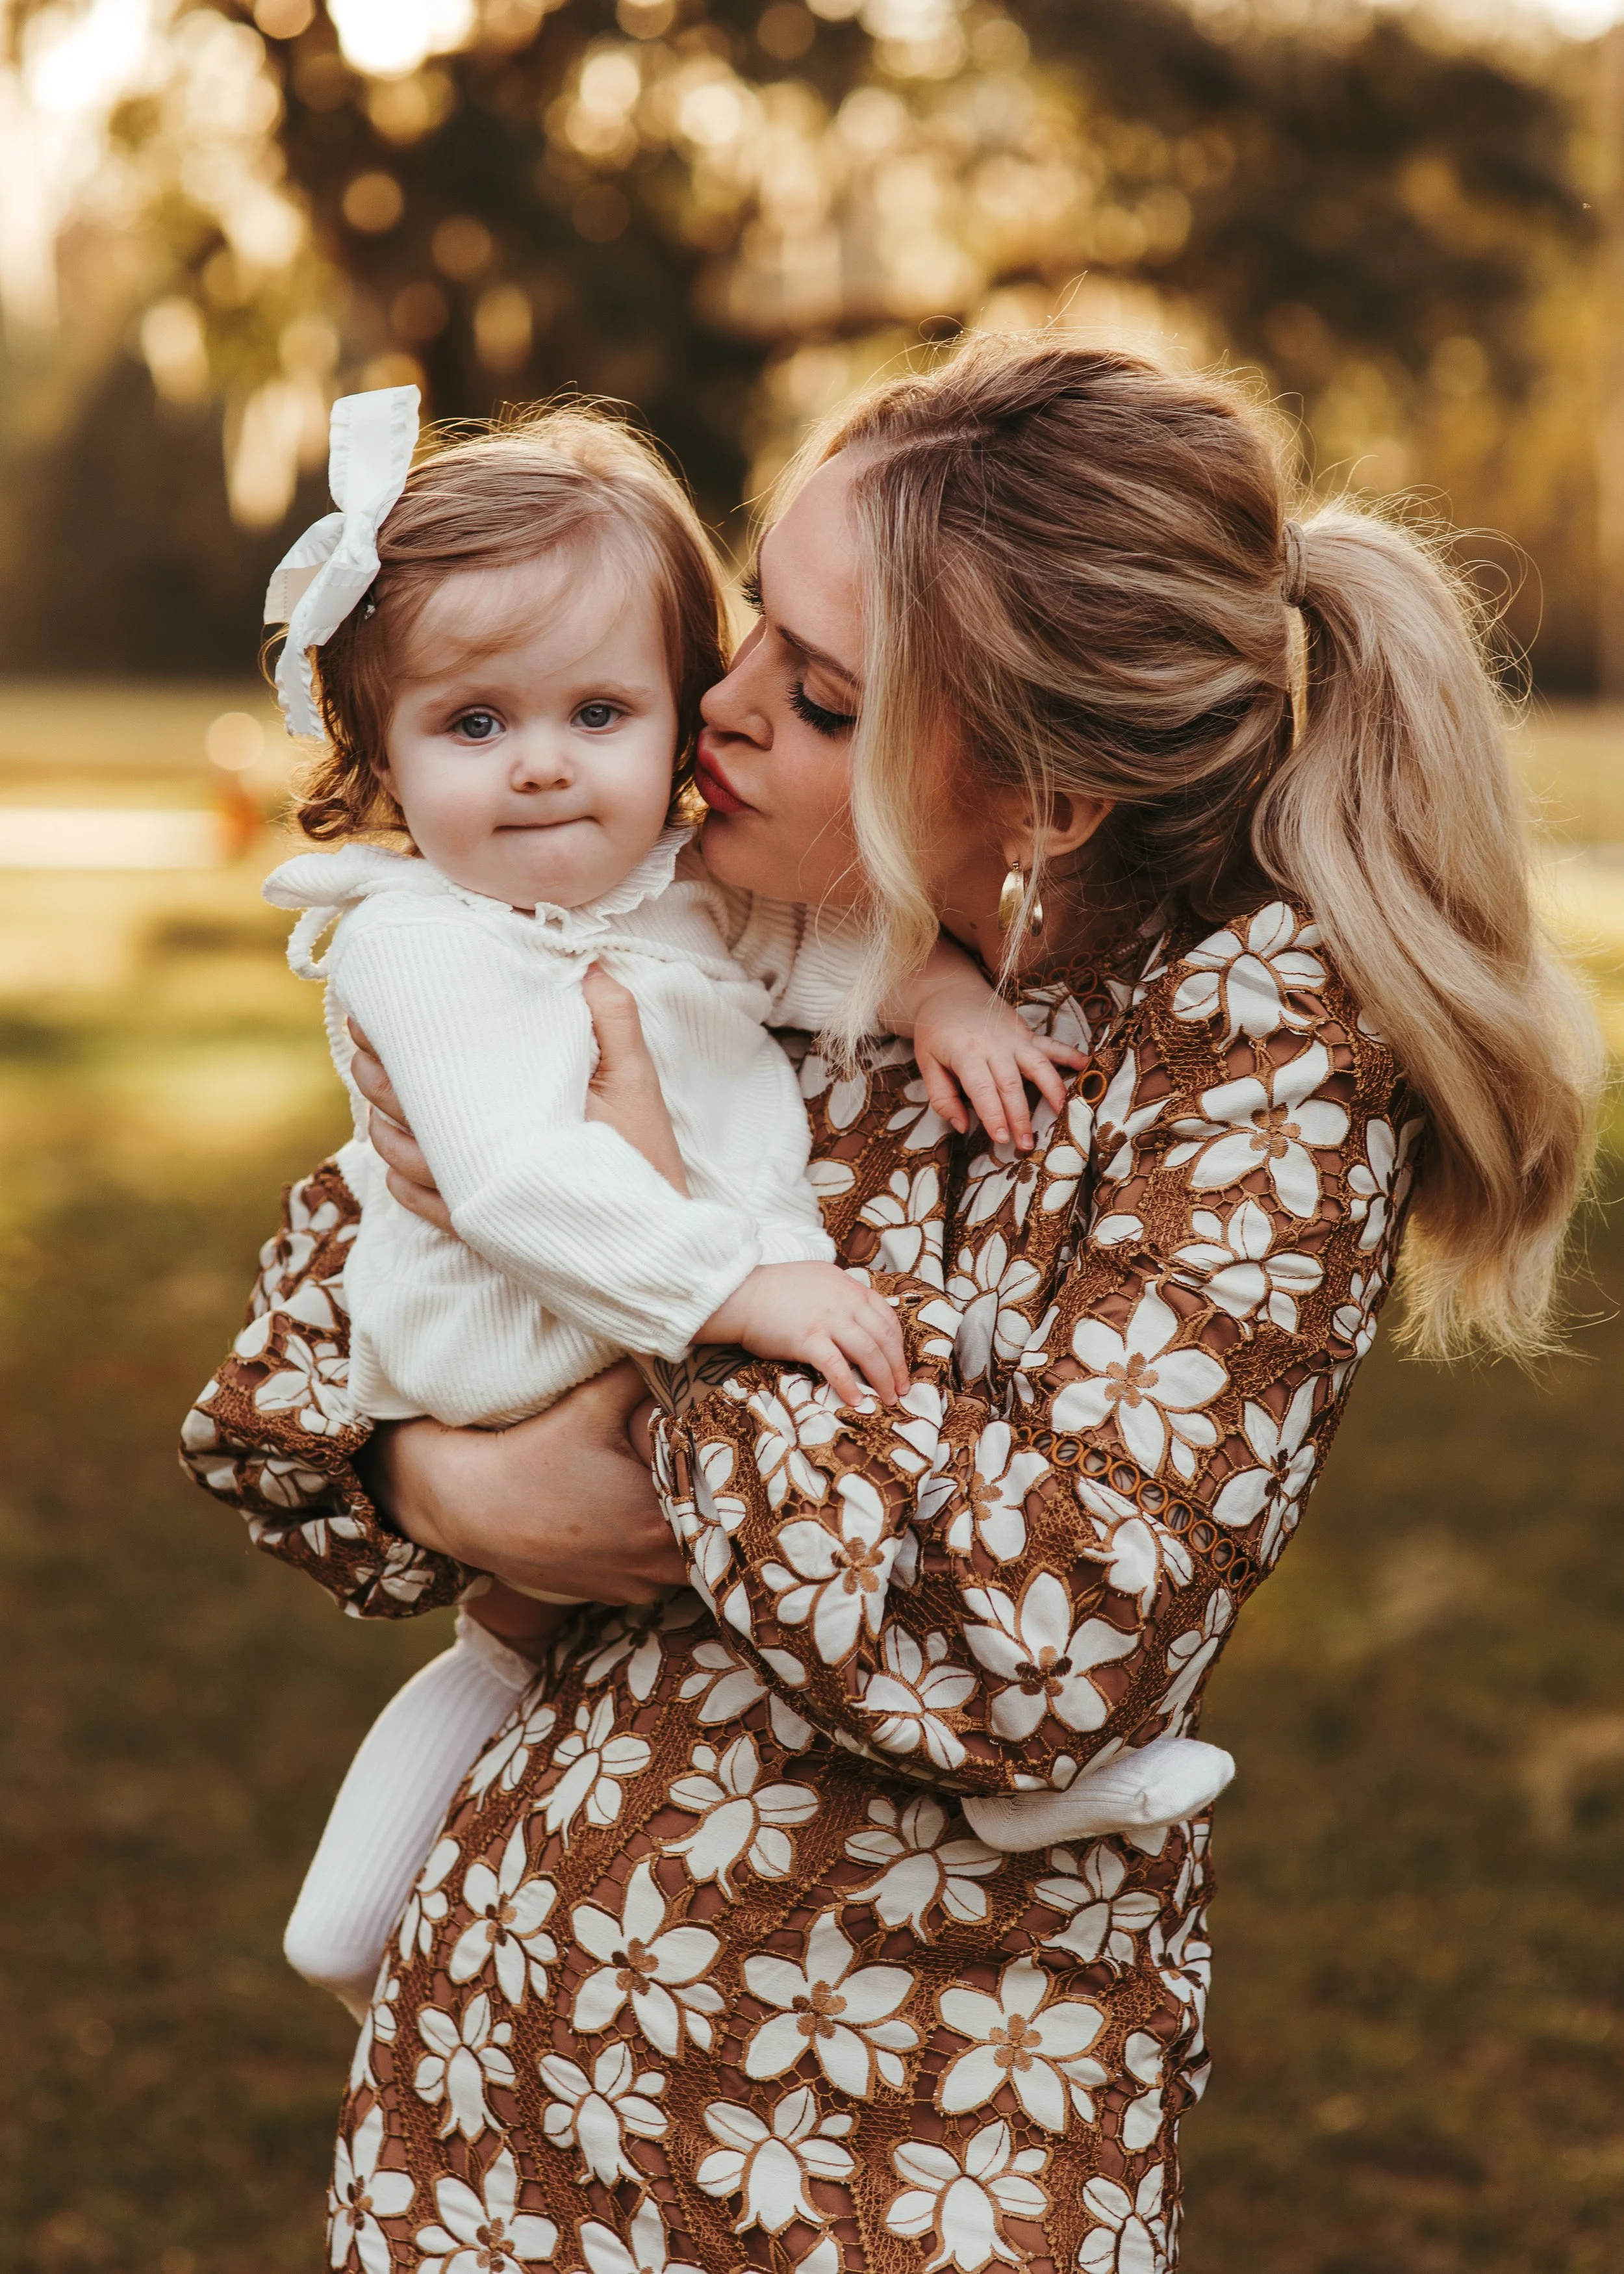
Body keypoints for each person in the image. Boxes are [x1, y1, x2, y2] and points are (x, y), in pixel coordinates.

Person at [183, 336, 1596, 2273]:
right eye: (751, 634)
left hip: (908, 2119)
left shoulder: (1255, 1077)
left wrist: (672, 1280)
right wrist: (442, 1481)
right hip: (505, 2078)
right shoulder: (717, 920)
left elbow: (1013, 1651)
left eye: (820, 694)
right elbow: (280, 1382)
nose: (717, 710)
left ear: (1042, 803)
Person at [255, 388, 1224, 2021]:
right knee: (812, 1436)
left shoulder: (669, 889)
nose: (547, 768)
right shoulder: (422, 943)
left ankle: (355, 1944)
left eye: (603, 712)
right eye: (472, 727)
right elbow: (506, 1176)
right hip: (537, 1337)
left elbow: (821, 951)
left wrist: (940, 1002)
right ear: (382, 750)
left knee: (520, 1635)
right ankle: (1002, 1767)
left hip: (661, 1309)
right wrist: (733, 1288)